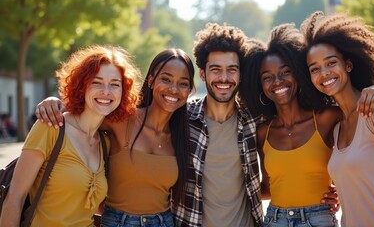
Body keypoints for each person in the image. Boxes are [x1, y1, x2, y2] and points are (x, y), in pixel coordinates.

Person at [240, 24, 374, 227]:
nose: (278, 81)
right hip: (275, 220)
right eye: (267, 77)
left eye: (286, 72)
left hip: (319, 220)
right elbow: (269, 188)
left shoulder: (328, 118)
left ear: (299, 75)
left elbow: (360, 110)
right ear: (259, 84)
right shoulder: (262, 133)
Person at [34, 48, 195, 227]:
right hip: (118, 222)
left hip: (163, 222)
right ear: (150, 81)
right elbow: (84, 112)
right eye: (166, 79)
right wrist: (54, 103)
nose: (174, 89)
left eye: (183, 83)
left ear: (189, 90)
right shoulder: (122, 120)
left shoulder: (183, 135)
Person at [300, 11, 374, 227]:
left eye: (331, 63)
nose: (324, 73)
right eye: (314, 69)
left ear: (348, 65)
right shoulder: (336, 129)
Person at [0, 44, 141, 226]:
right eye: (96, 82)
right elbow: (14, 199)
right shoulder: (51, 126)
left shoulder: (105, 142)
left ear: (123, 92)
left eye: (115, 84)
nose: (106, 91)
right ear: (82, 86)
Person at [173, 22, 263, 227]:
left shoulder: (254, 119)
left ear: (240, 74)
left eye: (232, 70)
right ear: (203, 74)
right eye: (216, 69)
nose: (224, 78)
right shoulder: (181, 119)